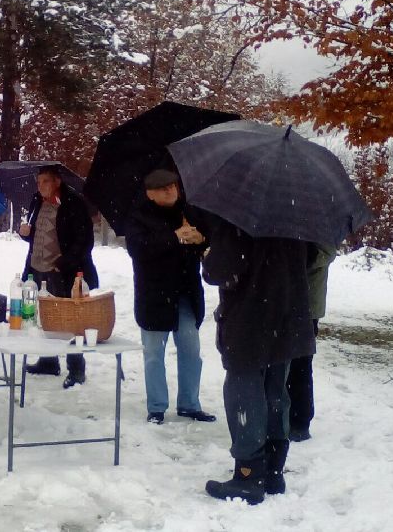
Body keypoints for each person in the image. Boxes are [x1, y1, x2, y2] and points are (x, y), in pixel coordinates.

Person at [201, 219, 316, 504]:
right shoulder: (296, 216)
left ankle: (248, 475)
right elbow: (311, 257)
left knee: (244, 395)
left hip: (250, 321)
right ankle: (273, 471)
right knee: (276, 392)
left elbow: (220, 269)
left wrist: (208, 255)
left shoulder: (236, 217)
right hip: (287, 317)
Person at [124, 169, 216, 425]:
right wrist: (174, 237)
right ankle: (157, 407)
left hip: (186, 294)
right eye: (163, 188)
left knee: (191, 350)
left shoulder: (189, 210)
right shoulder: (138, 216)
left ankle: (189, 404)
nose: (170, 190)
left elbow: (208, 239)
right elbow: (139, 249)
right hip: (154, 296)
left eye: (173, 186)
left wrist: (200, 239)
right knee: (154, 354)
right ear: (150, 194)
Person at [20, 164, 98, 389]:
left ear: (57, 181)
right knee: (45, 317)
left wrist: (64, 263)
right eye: (38, 182)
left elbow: (84, 241)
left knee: (69, 320)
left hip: (62, 272)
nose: (40, 186)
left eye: (45, 181)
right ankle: (48, 361)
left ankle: (76, 369)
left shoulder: (73, 203)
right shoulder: (37, 201)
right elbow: (38, 234)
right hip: (37, 268)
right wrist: (26, 234)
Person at [287, 244, 336, 442]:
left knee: (301, 364)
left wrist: (295, 258)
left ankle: (300, 421)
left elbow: (326, 252)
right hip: (278, 299)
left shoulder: (320, 226)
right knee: (278, 364)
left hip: (307, 304)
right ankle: (280, 416)